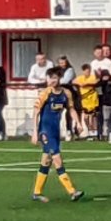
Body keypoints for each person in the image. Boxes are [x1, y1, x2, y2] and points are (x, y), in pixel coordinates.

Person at [29, 67, 85, 203]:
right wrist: (35, 132)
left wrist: (78, 123)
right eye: (49, 78)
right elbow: (36, 112)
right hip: (45, 131)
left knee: (46, 161)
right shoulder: (45, 93)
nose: (51, 81)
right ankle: (72, 191)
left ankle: (36, 193)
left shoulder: (66, 93)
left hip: (55, 131)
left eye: (54, 78)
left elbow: (71, 109)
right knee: (57, 160)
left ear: (59, 78)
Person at [74, 64, 100, 139]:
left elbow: (97, 81)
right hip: (84, 100)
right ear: (83, 71)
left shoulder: (93, 77)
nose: (87, 73)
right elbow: (74, 81)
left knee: (93, 116)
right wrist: (79, 84)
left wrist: (86, 84)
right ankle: (89, 131)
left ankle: (94, 132)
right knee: (85, 117)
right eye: (85, 71)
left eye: (88, 71)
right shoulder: (80, 78)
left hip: (92, 99)